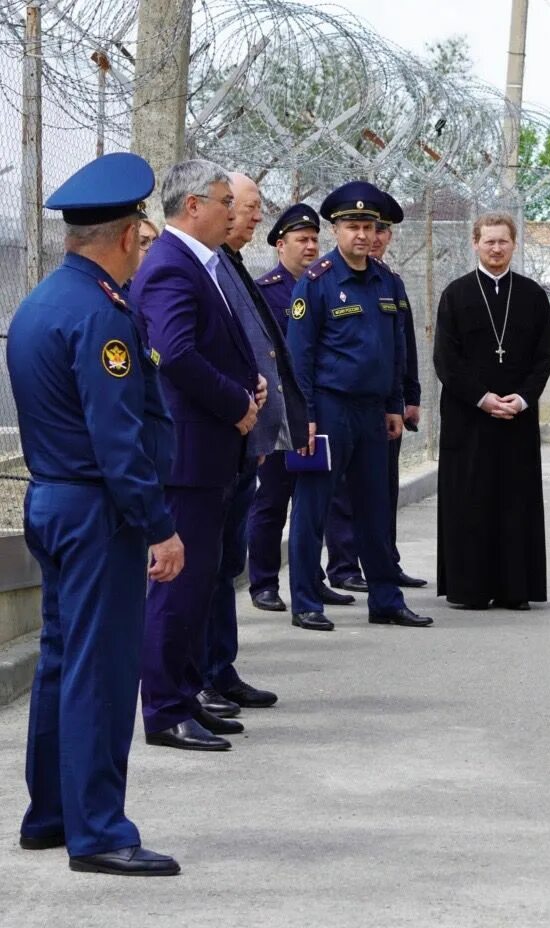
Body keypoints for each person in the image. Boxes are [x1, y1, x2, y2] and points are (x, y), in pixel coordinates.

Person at [7, 152, 183, 875]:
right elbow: (118, 443)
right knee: (102, 673)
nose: (144, 247)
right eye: (142, 235)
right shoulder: (101, 318)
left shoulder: (43, 301)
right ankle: (100, 831)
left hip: (52, 501)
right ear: (126, 236)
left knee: (60, 664)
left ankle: (50, 813)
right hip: (96, 512)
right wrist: (159, 525)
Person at [132, 159, 263, 752]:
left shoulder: (201, 263)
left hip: (212, 452)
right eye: (222, 201)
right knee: (178, 590)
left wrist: (248, 383)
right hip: (188, 457)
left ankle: (185, 696)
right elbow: (176, 354)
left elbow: (212, 345)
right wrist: (236, 399)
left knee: (201, 586)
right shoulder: (170, 267)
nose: (232, 212)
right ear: (192, 206)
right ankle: (163, 709)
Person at [285, 181, 432, 631]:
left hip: (372, 413)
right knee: (313, 509)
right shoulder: (317, 283)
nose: (362, 235)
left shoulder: (387, 281)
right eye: (352, 226)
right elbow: (299, 358)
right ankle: (307, 601)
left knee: (376, 508)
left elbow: (393, 350)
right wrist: (304, 417)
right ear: (336, 230)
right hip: (327, 411)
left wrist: (395, 405)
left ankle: (386, 598)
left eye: (369, 226)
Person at [199, 172, 305, 714]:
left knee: (224, 566)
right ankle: (200, 677)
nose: (256, 215)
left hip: (245, 442)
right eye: (246, 205)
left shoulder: (230, 265)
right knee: (205, 569)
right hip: (215, 443)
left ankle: (221, 668)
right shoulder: (205, 268)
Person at [433, 211, 550, 611]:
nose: (496, 248)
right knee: (470, 501)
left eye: (503, 241)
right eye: (489, 241)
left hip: (516, 419)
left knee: (513, 502)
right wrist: (483, 398)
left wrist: (520, 399)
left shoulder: (534, 296)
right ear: (475, 243)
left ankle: (514, 589)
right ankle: (468, 589)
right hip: (469, 419)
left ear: (514, 244)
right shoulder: (455, 294)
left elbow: (543, 358)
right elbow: (446, 360)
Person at [248, 203, 359, 613]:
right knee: (273, 499)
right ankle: (262, 582)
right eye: (302, 239)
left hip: (314, 410)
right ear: (281, 245)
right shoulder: (266, 291)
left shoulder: (325, 286)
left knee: (317, 501)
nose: (311, 246)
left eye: (315, 239)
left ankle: (311, 579)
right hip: (279, 415)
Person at [369, 190, 426, 588]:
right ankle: (344, 566)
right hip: (349, 402)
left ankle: (387, 561)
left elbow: (404, 344)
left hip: (390, 402)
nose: (374, 237)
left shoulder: (393, 282)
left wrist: (413, 397)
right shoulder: (329, 280)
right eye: (366, 228)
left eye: (382, 230)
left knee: (385, 488)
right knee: (344, 496)